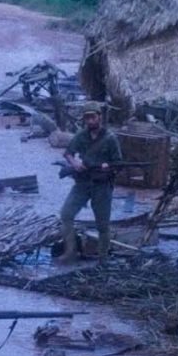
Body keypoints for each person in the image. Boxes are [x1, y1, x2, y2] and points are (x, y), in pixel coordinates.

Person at [58, 101, 122, 265]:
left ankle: (103, 260)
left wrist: (109, 167)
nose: (90, 121)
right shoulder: (81, 135)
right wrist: (75, 164)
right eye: (87, 118)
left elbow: (118, 164)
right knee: (66, 214)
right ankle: (70, 252)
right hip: (82, 182)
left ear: (99, 117)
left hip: (102, 185)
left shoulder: (110, 139)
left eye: (93, 117)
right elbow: (68, 153)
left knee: (102, 225)